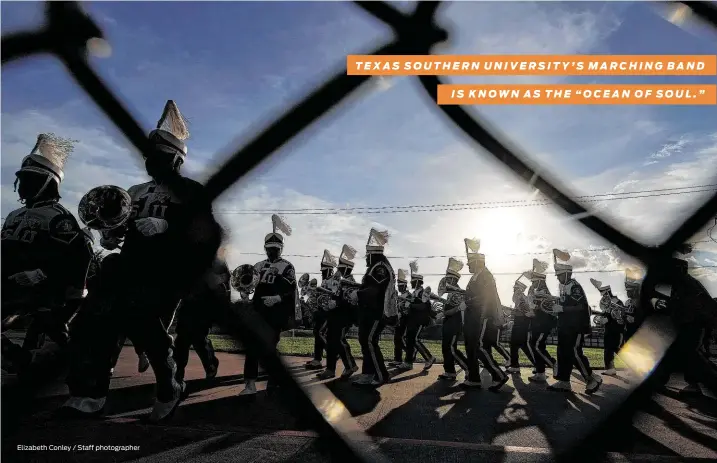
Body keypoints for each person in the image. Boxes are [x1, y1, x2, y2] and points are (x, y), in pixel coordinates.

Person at [62, 100, 222, 421]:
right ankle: (94, 394)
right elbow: (120, 224)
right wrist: (110, 234)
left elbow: (205, 235)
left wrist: (168, 225)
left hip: (168, 269)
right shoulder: (134, 190)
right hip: (131, 263)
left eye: (159, 157)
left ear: (176, 159)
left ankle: (168, 382)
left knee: (140, 317)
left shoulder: (192, 190)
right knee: (105, 322)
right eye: (148, 156)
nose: (151, 162)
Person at [1, 133, 92, 380]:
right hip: (9, 287)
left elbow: (78, 257)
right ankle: (21, 360)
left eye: (30, 179)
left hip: (44, 290)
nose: (22, 185)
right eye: (21, 179)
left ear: (47, 182)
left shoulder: (58, 218)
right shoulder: (13, 216)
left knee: (51, 332)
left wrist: (42, 274)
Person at [239, 214, 297, 396]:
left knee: (269, 347)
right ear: (265, 248)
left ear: (281, 248)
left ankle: (276, 376)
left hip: (275, 313)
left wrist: (278, 298)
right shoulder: (257, 265)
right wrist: (244, 290)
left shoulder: (287, 266)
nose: (272, 251)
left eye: (276, 248)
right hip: (257, 310)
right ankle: (250, 384)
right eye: (270, 248)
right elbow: (249, 284)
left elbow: (292, 291)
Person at [548, 249, 602, 394]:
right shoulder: (563, 286)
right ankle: (564, 381)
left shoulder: (574, 286)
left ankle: (591, 378)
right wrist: (556, 303)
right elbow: (565, 302)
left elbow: (581, 306)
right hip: (565, 326)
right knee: (563, 352)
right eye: (557, 275)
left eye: (559, 275)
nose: (558, 278)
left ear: (567, 274)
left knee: (574, 352)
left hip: (576, 326)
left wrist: (562, 309)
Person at [173, 250, 231, 384]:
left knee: (199, 339)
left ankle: (210, 363)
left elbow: (227, 280)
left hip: (206, 306)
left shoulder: (218, 259)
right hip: (188, 304)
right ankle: (178, 374)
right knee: (182, 339)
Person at [462, 238, 509, 391]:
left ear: (477, 262)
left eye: (470, 263)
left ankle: (499, 375)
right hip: (473, 316)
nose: (468, 266)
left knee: (479, 347)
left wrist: (467, 303)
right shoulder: (476, 276)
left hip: (483, 316)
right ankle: (474, 378)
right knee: (470, 347)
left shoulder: (485, 276)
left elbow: (485, 297)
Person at [354, 228, 396, 388]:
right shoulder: (377, 266)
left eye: (367, 255)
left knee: (370, 341)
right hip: (369, 312)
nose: (366, 258)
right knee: (365, 341)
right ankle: (367, 374)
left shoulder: (380, 267)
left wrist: (357, 294)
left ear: (372, 254)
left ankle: (381, 375)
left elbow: (375, 290)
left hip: (377, 312)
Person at [316, 246, 359, 380]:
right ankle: (331, 369)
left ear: (347, 268)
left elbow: (350, 300)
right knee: (331, 340)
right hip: (335, 315)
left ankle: (350, 365)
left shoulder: (351, 282)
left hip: (344, 317)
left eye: (340, 268)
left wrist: (337, 303)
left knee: (338, 340)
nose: (338, 270)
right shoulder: (339, 280)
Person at [399, 260, 436, 371]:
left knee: (413, 339)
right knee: (408, 339)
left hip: (420, 320)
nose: (410, 283)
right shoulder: (415, 293)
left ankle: (429, 357)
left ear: (417, 282)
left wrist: (410, 306)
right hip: (413, 320)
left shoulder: (422, 292)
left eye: (412, 281)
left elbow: (424, 306)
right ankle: (408, 362)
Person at [438, 258, 470, 380]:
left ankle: (468, 367)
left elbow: (456, 310)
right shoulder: (452, 293)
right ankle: (450, 372)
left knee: (451, 348)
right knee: (446, 348)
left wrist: (444, 313)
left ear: (452, 279)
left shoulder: (457, 293)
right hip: (449, 322)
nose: (445, 280)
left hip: (454, 323)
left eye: (447, 278)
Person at [526, 259, 557, 384]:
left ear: (537, 279)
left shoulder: (541, 287)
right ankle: (540, 373)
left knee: (537, 345)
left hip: (543, 322)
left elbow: (544, 305)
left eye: (533, 280)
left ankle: (554, 364)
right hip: (536, 321)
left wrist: (534, 307)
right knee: (536, 345)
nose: (531, 282)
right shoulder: (536, 287)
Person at [590, 278, 625, 377]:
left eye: (604, 293)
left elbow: (619, 316)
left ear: (607, 292)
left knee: (618, 350)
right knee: (609, 349)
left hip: (616, 330)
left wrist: (607, 319)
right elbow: (606, 314)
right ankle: (611, 369)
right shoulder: (609, 302)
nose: (602, 296)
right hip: (609, 330)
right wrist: (600, 317)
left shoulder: (617, 302)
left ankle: (634, 367)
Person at [305, 256, 331, 371]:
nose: (322, 273)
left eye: (324, 271)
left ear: (330, 270)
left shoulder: (331, 281)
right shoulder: (325, 281)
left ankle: (332, 354)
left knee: (320, 333)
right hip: (320, 312)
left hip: (327, 313)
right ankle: (317, 359)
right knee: (317, 333)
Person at [507, 274, 536, 374]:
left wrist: (514, 312)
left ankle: (537, 365)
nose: (514, 289)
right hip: (521, 323)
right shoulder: (522, 296)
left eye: (515, 287)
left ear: (519, 288)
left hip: (521, 323)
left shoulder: (519, 296)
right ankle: (516, 365)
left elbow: (524, 311)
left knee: (518, 345)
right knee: (517, 345)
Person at [389, 269, 411, 367]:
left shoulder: (409, 296)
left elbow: (407, 309)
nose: (398, 287)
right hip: (399, 320)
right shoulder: (399, 295)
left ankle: (409, 354)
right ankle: (397, 359)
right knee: (396, 339)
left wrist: (401, 313)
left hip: (405, 321)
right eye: (398, 285)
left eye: (400, 285)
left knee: (399, 338)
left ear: (405, 286)